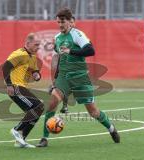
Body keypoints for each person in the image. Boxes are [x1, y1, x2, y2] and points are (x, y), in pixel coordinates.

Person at [36, 8, 120, 147]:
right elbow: (58, 59)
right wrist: (54, 80)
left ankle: (111, 128)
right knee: (51, 103)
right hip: (63, 78)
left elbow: (90, 50)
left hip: (80, 77)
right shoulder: (57, 38)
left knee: (93, 112)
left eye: (63, 22)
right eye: (58, 22)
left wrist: (71, 51)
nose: (60, 25)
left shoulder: (77, 35)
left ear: (70, 22)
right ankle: (44, 139)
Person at [2, 33, 44, 148]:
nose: (38, 47)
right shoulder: (19, 54)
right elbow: (5, 67)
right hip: (15, 87)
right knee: (38, 107)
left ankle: (21, 140)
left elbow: (35, 71)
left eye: (39, 45)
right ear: (28, 43)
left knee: (37, 110)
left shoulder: (32, 57)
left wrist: (36, 75)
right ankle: (16, 130)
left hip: (22, 87)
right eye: (36, 44)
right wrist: (9, 85)